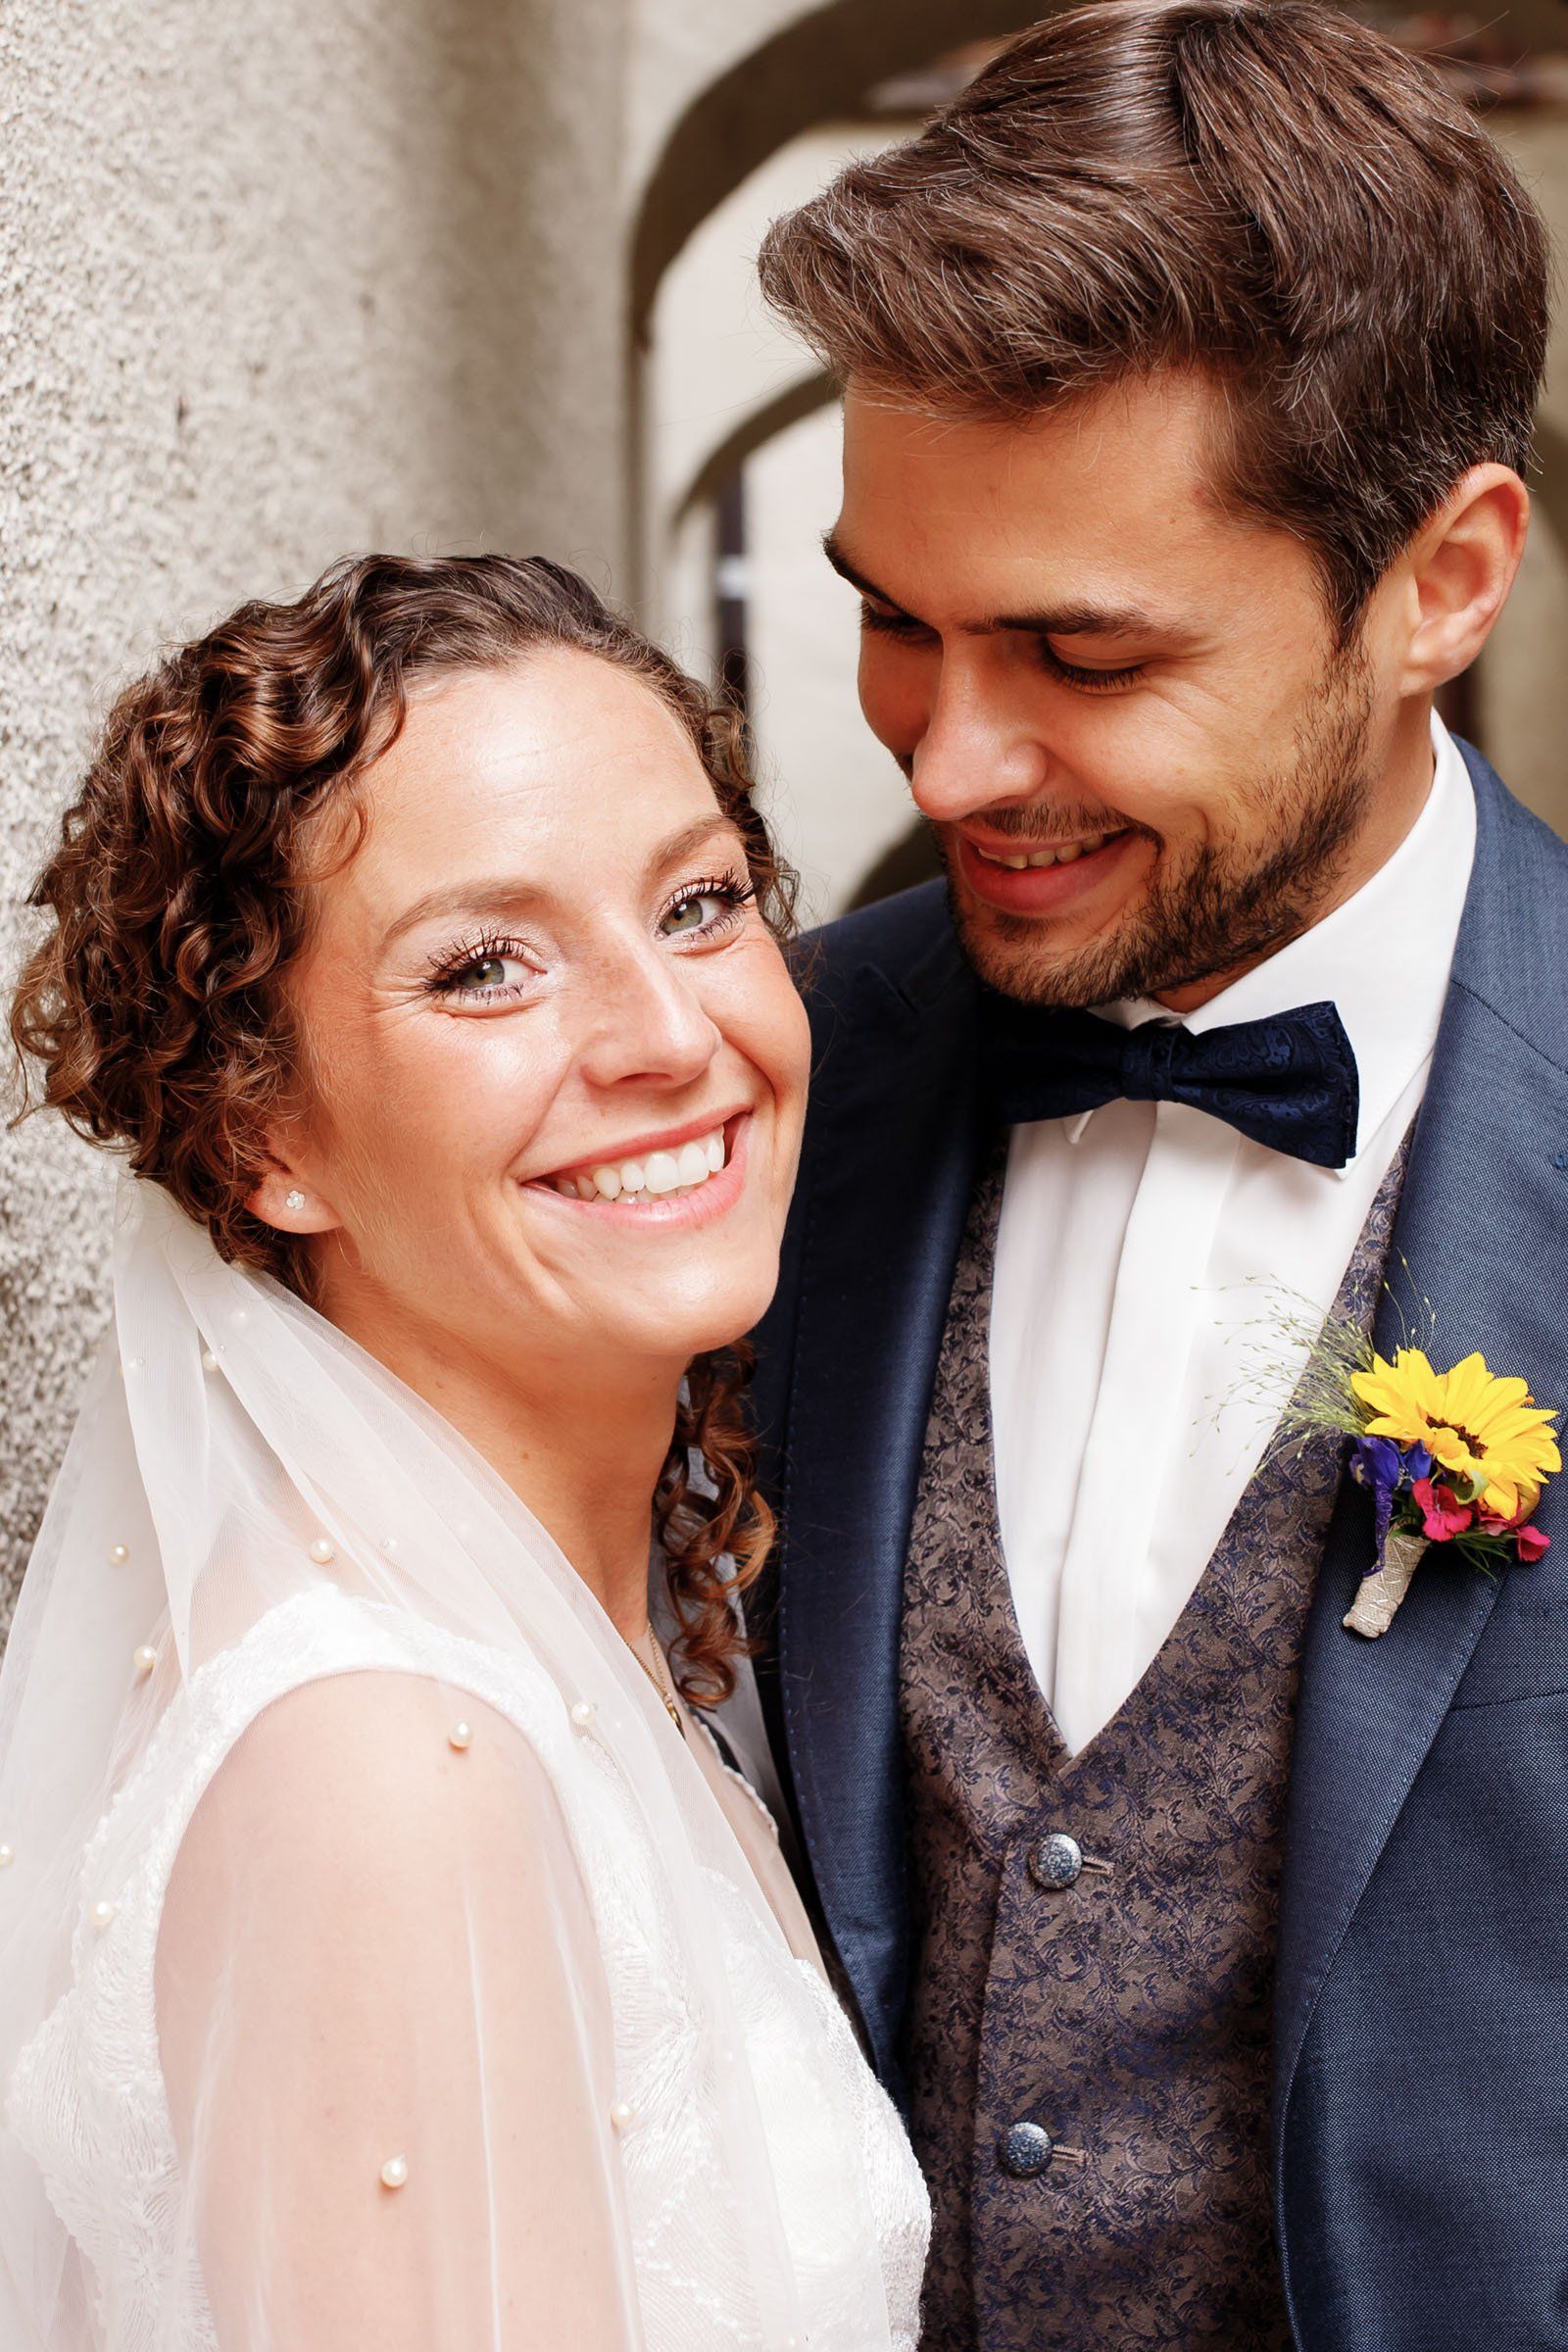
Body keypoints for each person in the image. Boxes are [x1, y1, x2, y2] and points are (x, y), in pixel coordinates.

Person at [748, 4, 1568, 2347]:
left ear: (1437, 580)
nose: (942, 745)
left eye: (1079, 651)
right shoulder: (758, 1092)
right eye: (892, 615)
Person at [0, 554, 929, 2350]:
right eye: (486, 967)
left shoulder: (593, 1639)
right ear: (264, 1133)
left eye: (700, 902)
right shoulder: (390, 1770)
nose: (673, 1037)